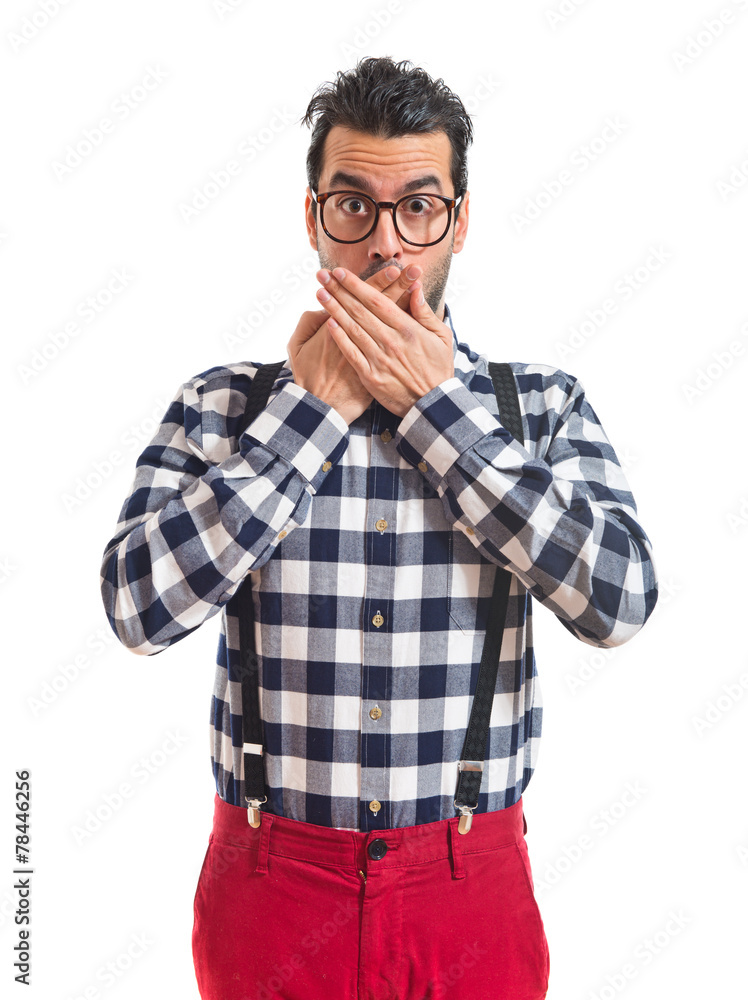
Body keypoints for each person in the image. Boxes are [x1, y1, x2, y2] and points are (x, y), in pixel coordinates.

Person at [99, 56, 658, 1000]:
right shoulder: (221, 409)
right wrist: (307, 417)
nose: (387, 246)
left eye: (419, 207)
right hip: (270, 886)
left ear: (460, 222)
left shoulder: (537, 410)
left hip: (468, 885)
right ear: (314, 217)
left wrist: (441, 413)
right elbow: (136, 610)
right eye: (354, 205)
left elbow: (622, 602)